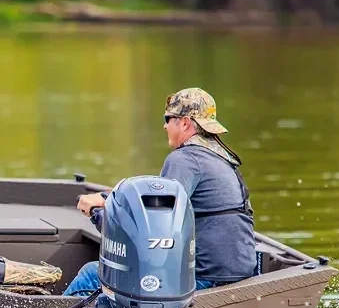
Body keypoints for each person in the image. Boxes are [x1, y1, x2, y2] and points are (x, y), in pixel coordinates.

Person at [65, 87, 257, 296]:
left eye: (168, 118)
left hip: (206, 278)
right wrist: (107, 199)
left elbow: (156, 225)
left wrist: (100, 214)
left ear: (184, 122)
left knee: (91, 274)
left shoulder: (184, 159)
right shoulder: (220, 160)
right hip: (240, 273)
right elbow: (155, 196)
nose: (164, 126)